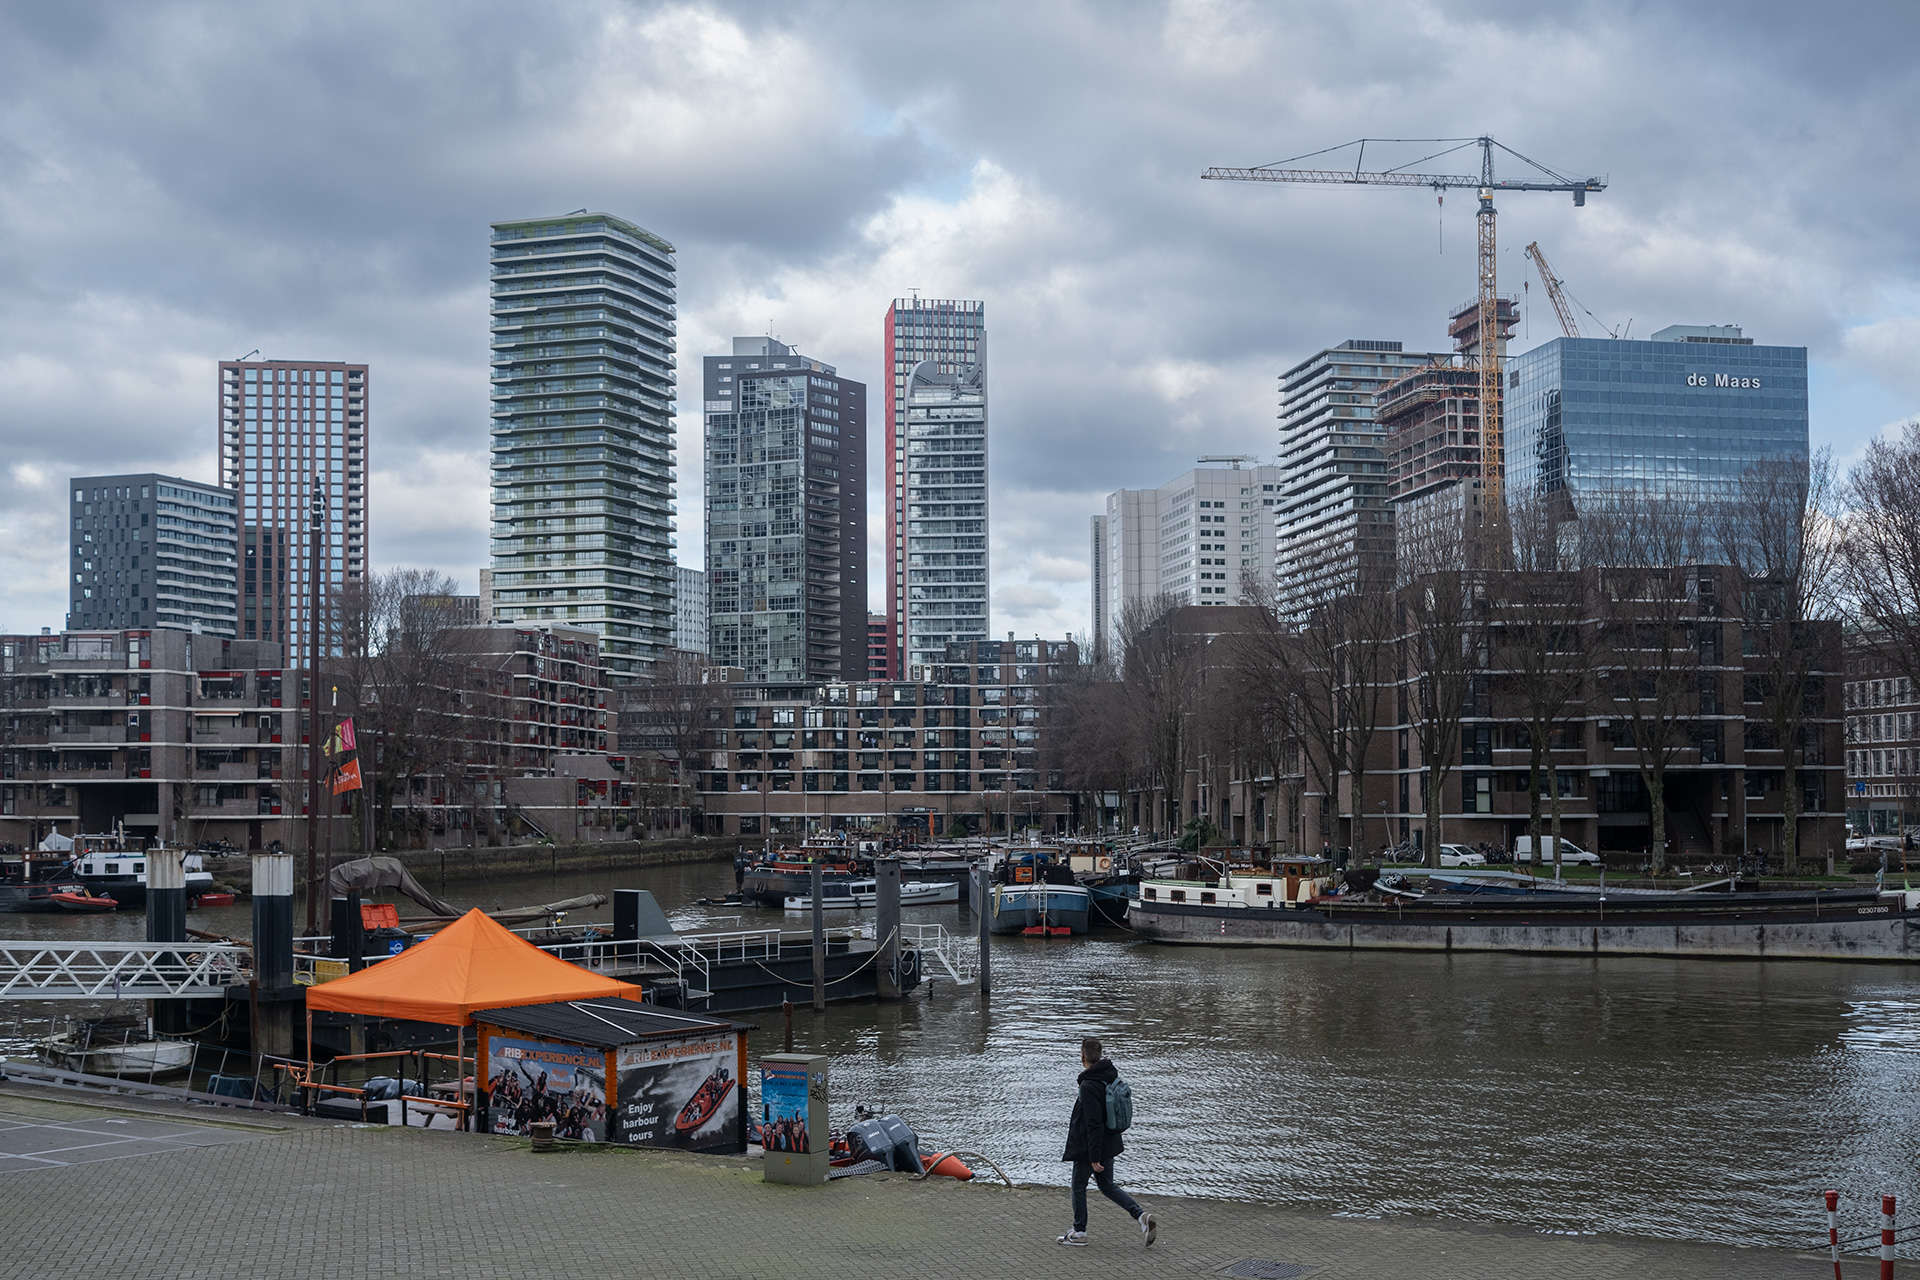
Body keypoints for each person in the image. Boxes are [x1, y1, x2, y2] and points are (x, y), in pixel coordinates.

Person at [1057, 1036, 1155, 1249]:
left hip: (1090, 1145)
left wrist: (1094, 1157)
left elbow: (1093, 1124)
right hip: (1110, 1141)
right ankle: (1141, 1217)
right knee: (1107, 1185)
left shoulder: (1089, 1084)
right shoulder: (1109, 1075)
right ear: (1099, 1056)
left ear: (1082, 1056)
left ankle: (1080, 1231)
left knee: (1078, 1185)